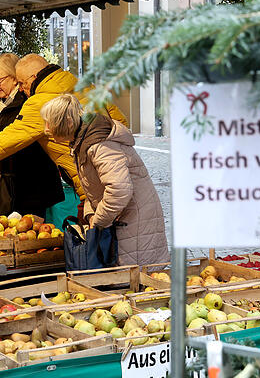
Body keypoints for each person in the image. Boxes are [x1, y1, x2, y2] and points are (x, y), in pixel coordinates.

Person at [0, 54, 127, 210]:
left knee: (103, 241)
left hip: (88, 181)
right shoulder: (83, 86)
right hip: (117, 167)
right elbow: (119, 122)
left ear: (33, 78)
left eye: (22, 83)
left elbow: (3, 143)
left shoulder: (38, 103)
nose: (22, 89)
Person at [42, 94, 168, 265]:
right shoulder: (83, 141)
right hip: (121, 219)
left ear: (68, 123)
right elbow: (95, 188)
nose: (46, 129)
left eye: (50, 123)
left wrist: (98, 220)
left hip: (132, 222)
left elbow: (119, 190)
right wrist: (90, 212)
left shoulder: (99, 146)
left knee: (135, 280)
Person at [0, 53, 63, 219]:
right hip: (8, 184)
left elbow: (23, 140)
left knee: (31, 233)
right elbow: (1, 137)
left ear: (14, 78)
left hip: (31, 184)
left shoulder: (29, 102)